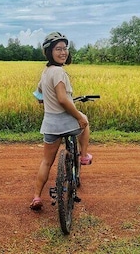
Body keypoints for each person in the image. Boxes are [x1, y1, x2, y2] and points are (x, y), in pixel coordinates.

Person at [30, 32, 93, 211]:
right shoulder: (59, 72)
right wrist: (79, 117)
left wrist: (44, 100)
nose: (63, 52)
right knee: (85, 121)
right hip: (66, 122)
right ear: (49, 52)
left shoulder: (46, 72)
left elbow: (39, 95)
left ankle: (36, 197)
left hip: (50, 124)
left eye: (65, 48)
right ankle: (84, 156)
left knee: (46, 162)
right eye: (58, 49)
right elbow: (63, 100)